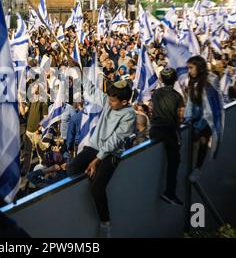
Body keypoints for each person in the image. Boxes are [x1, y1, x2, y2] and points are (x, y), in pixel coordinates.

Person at [68, 78, 136, 238]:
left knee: (97, 187)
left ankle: (105, 223)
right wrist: (78, 74)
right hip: (93, 147)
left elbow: (114, 140)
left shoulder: (129, 115)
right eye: (109, 99)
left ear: (124, 102)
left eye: (113, 101)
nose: (109, 103)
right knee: (72, 168)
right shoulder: (108, 101)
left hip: (110, 153)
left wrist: (97, 160)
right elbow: (92, 91)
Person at [150, 68, 185, 206]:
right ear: (175, 79)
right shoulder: (178, 96)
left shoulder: (156, 93)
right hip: (169, 131)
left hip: (154, 130)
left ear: (161, 79)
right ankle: (169, 192)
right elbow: (181, 117)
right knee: (174, 161)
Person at [185, 56, 225, 174]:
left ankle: (198, 169)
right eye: (188, 68)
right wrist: (187, 118)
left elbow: (210, 109)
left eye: (191, 68)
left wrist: (199, 126)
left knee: (203, 140)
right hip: (197, 117)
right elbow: (190, 102)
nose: (189, 71)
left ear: (200, 67)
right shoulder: (192, 81)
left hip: (209, 118)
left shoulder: (211, 81)